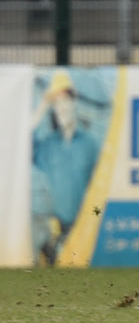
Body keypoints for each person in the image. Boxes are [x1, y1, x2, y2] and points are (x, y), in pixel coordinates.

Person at [32, 69, 100, 265]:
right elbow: (19, 145)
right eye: (57, 103)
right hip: (55, 230)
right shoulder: (48, 145)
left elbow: (99, 186)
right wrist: (43, 105)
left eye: (65, 101)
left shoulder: (89, 143)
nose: (62, 107)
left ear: (74, 103)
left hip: (83, 229)